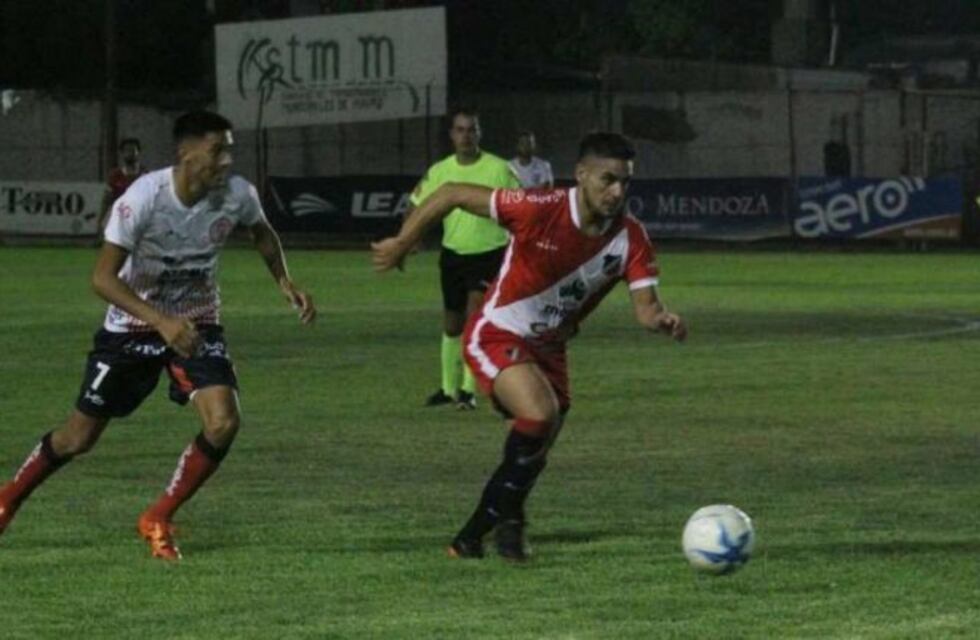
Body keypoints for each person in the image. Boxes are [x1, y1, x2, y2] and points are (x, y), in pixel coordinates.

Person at [0, 110, 316, 561]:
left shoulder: (237, 194)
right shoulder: (144, 197)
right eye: (217, 150)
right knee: (78, 438)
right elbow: (103, 278)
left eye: (229, 149)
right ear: (185, 154)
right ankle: (7, 498)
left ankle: (159, 516)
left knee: (224, 421)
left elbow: (263, 234)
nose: (226, 160)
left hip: (197, 322)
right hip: (131, 328)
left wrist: (286, 283)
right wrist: (160, 321)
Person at [373, 132, 687, 561]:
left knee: (533, 451)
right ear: (581, 175)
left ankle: (491, 531)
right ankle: (491, 532)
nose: (617, 192)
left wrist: (662, 320)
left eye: (626, 182)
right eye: (607, 180)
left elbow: (646, 310)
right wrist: (403, 241)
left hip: (550, 349)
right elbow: (449, 193)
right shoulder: (541, 207)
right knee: (540, 414)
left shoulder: (632, 238)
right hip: (498, 330)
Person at [407, 107, 519, 411]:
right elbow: (416, 204)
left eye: (471, 129)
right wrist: (411, 236)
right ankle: (447, 389)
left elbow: (522, 209)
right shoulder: (441, 171)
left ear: (479, 133)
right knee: (451, 324)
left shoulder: (500, 169)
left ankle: (469, 392)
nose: (466, 135)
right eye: (460, 130)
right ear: (452, 135)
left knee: (474, 320)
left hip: (489, 253)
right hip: (453, 254)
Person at [98, 137, 147, 230]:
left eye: (133, 150)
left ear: (138, 152)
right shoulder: (115, 176)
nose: (130, 153)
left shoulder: (146, 176)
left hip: (141, 220)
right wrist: (100, 220)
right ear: (122, 153)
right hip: (120, 220)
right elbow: (107, 199)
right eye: (127, 150)